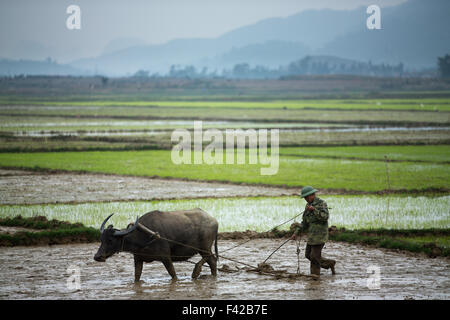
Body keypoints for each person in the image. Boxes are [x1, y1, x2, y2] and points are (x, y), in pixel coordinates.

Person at [291, 186, 336, 279]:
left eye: (307, 197)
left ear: (313, 195)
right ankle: (329, 263)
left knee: (314, 257)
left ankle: (315, 276)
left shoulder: (321, 203)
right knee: (308, 255)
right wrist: (296, 232)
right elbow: (305, 222)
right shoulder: (307, 206)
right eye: (305, 198)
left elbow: (325, 217)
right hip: (311, 235)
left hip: (320, 235)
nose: (306, 199)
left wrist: (314, 210)